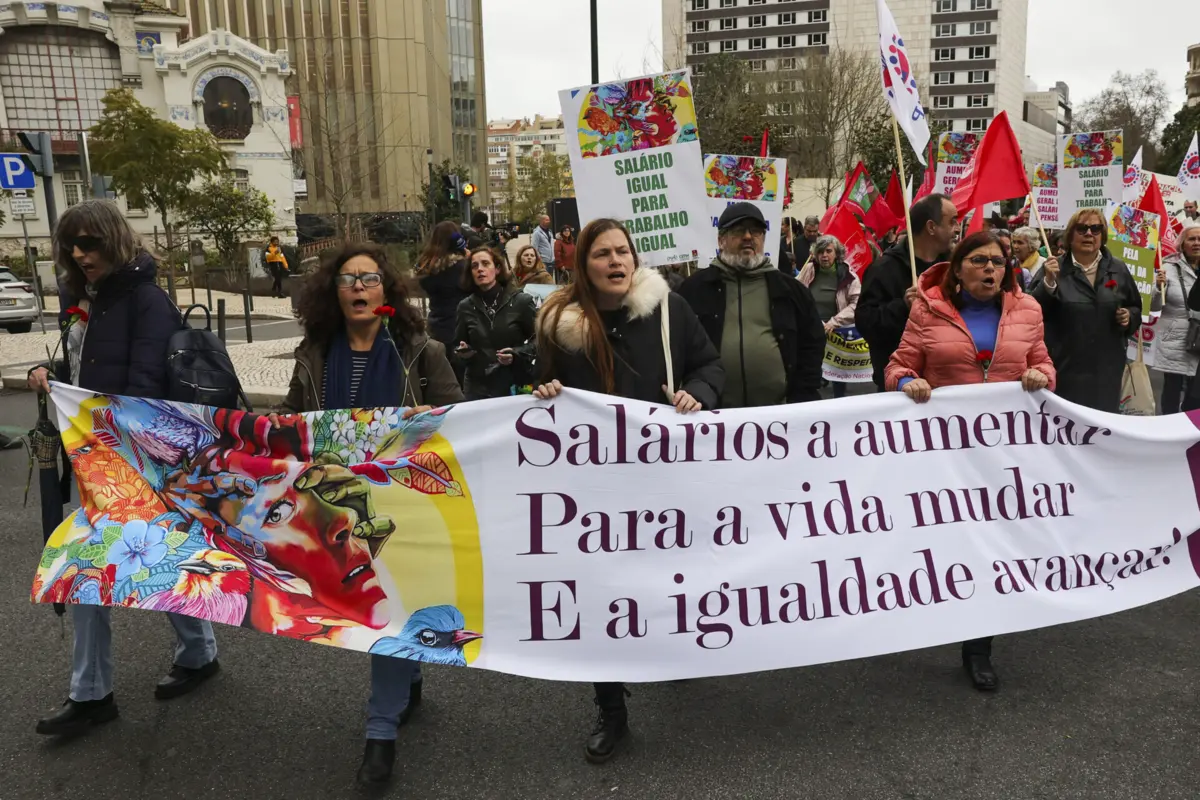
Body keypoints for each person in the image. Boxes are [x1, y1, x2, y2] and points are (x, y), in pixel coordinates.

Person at [532, 218, 723, 764]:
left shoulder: (668, 309)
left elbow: (710, 364)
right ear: (582, 265)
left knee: (669, 578)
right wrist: (539, 389)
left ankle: (674, 646)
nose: (616, 262)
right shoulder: (556, 322)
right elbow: (531, 388)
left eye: (623, 252)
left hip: (663, 482)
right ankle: (610, 709)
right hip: (593, 491)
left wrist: (698, 393)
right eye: (602, 254)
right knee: (603, 594)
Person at [29, 199, 221, 737]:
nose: (78, 253)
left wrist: (105, 432)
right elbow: (81, 364)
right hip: (94, 457)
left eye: (89, 243)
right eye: (71, 244)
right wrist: (50, 372)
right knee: (105, 569)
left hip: (130, 461)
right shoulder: (81, 299)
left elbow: (144, 391)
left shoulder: (146, 301)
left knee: (130, 563)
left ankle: (180, 659)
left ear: (114, 241)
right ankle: (107, 687)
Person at [274, 242, 463, 786]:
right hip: (333, 503)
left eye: (370, 278)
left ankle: (380, 737)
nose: (359, 286)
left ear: (387, 291)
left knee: (389, 610)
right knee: (390, 612)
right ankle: (411, 680)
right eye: (349, 279)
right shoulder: (314, 351)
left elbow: (458, 415)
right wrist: (252, 427)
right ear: (332, 291)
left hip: (401, 505)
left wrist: (431, 421)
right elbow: (293, 417)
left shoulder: (420, 350)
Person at [886, 230, 1055, 691]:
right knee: (945, 544)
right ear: (958, 268)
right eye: (979, 261)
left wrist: (1042, 374)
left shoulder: (1029, 310)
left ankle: (978, 648)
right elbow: (898, 365)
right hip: (944, 455)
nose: (990, 269)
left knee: (990, 548)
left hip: (1002, 456)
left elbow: (1043, 363)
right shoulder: (927, 308)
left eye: (998, 262)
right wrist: (906, 384)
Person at [679, 201, 824, 408]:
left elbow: (813, 344)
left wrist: (802, 395)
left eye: (755, 231)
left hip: (780, 418)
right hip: (711, 420)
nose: (748, 237)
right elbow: (679, 349)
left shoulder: (791, 291)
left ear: (763, 239)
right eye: (738, 231)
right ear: (721, 240)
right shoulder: (693, 290)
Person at [1029, 208, 1141, 413]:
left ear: (1103, 236)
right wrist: (1049, 284)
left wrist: (1129, 317)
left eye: (1096, 228)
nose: (1089, 233)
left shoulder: (1118, 269)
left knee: (1102, 428)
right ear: (1070, 236)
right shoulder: (1052, 268)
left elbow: (1135, 307)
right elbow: (1031, 313)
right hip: (1065, 367)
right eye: (1082, 228)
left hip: (1107, 370)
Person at [855, 193, 958, 391]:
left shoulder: (955, 267)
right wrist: (903, 307)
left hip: (947, 384)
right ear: (931, 227)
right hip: (900, 387)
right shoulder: (883, 269)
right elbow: (866, 322)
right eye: (952, 221)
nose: (957, 228)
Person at [454, 246, 538, 400]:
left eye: (485, 264)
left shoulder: (521, 301)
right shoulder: (465, 306)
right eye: (474, 266)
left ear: (497, 269)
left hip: (514, 385)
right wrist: (464, 352)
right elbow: (458, 345)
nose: (480, 269)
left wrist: (516, 354)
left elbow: (540, 340)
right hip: (477, 387)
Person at [797, 234, 862, 399]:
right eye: (820, 252)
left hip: (836, 331)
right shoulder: (809, 269)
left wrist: (834, 322)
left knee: (837, 373)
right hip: (812, 329)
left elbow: (856, 304)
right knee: (812, 370)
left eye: (828, 251)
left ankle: (838, 402)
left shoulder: (848, 275)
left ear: (837, 253)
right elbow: (797, 293)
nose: (824, 255)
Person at [414, 221, 471, 385]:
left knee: (440, 378)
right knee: (460, 379)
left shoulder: (427, 268)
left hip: (436, 326)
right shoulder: (462, 268)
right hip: (459, 328)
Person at [1158, 221, 1200, 412]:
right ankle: (1169, 435)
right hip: (1176, 340)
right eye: (1192, 239)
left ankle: (1190, 434)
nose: (1197, 243)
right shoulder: (1167, 267)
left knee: (1195, 394)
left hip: (1198, 340)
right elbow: (1153, 305)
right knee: (1172, 393)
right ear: (1182, 244)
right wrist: (1159, 289)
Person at [532, 213, 556, 280]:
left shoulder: (549, 231)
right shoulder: (537, 233)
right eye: (547, 220)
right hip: (543, 261)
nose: (549, 221)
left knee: (550, 279)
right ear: (542, 221)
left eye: (549, 220)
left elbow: (551, 243)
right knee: (544, 280)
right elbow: (534, 247)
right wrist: (539, 259)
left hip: (551, 260)